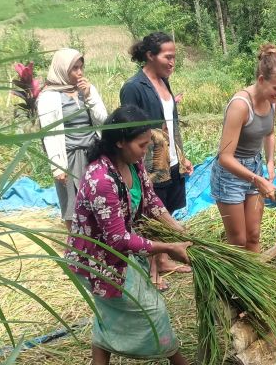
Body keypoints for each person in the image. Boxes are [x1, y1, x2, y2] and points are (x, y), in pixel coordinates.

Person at [65, 105, 191, 365]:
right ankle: (178, 361)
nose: (146, 151)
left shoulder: (133, 165)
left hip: (118, 255)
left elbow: (151, 200)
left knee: (109, 313)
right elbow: (118, 239)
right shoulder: (101, 179)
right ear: (121, 141)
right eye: (142, 145)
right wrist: (167, 247)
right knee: (154, 311)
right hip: (96, 260)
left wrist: (178, 229)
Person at [120, 32, 193, 288]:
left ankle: (162, 260)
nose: (172, 62)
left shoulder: (164, 81)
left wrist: (181, 156)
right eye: (168, 57)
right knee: (150, 218)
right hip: (149, 164)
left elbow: (170, 125)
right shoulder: (133, 87)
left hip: (170, 161)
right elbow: (130, 130)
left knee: (167, 209)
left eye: (174, 57)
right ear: (150, 55)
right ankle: (152, 272)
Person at [211, 44, 276, 252]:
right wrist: (258, 180)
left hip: (254, 168)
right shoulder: (240, 105)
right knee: (238, 240)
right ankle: (237, 282)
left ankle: (258, 279)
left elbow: (270, 132)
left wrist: (270, 162)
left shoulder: (273, 101)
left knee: (254, 235)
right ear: (261, 80)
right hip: (230, 174)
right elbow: (225, 157)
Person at [36, 48, 108, 234]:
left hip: (92, 154)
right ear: (62, 70)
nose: (80, 72)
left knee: (99, 202)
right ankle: (76, 249)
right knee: (72, 207)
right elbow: (49, 133)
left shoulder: (87, 90)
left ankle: (99, 246)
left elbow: (103, 119)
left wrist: (89, 95)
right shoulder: (48, 97)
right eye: (74, 68)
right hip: (68, 157)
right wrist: (57, 166)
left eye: (81, 67)